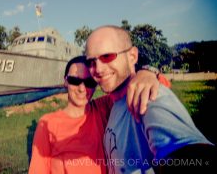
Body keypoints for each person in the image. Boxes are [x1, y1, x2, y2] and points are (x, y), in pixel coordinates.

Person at [85, 25, 216, 173]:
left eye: (107, 56)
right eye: (91, 62)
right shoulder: (114, 103)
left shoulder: (149, 96)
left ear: (132, 56)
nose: (98, 69)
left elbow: (189, 152)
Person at [28, 55, 163, 174]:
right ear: (65, 81)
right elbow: (38, 170)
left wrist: (147, 73)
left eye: (89, 82)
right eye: (75, 81)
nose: (82, 88)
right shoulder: (48, 123)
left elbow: (149, 87)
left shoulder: (103, 108)